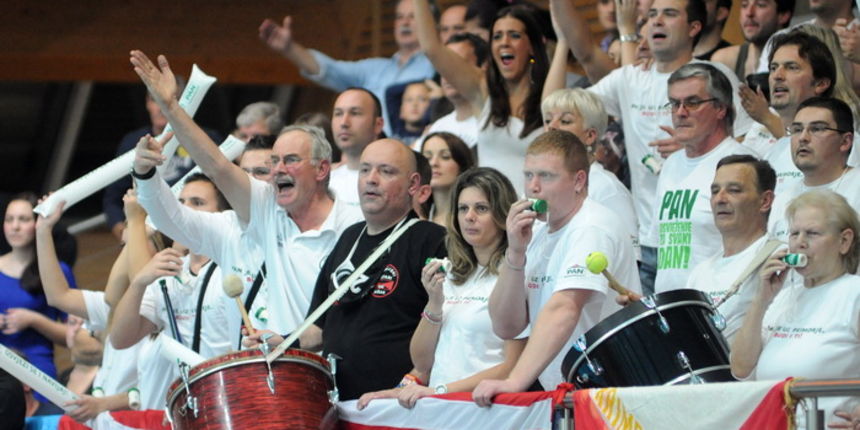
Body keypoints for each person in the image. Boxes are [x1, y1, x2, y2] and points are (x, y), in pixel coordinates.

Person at [130, 50, 363, 338]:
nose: (278, 170)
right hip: (265, 372)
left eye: (290, 160)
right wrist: (170, 109)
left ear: (322, 168)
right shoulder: (268, 207)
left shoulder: (356, 224)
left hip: (333, 371)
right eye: (274, 162)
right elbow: (216, 166)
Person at [554, 0, 755, 295]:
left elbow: (752, 139)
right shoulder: (630, 77)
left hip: (703, 236)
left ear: (694, 27)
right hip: (650, 238)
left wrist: (698, 144)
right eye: (651, 15)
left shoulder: (712, 76)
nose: (656, 22)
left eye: (669, 14)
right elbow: (562, 99)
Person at [473, 130, 641, 403]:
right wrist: (515, 253)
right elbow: (506, 325)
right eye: (528, 175)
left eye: (546, 176)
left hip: (608, 390)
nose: (533, 187)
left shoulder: (592, 226)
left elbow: (565, 307)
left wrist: (515, 381)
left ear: (578, 180)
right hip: (569, 389)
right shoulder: (538, 232)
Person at [357, 167, 525, 409]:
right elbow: (422, 364)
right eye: (463, 208)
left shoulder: (514, 273)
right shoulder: (453, 273)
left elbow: (512, 366)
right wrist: (434, 304)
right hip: (443, 411)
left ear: (502, 214)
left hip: (490, 411)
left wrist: (439, 391)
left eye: (481, 208)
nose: (469, 217)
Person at [294, 139, 447, 401]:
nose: (371, 179)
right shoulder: (349, 238)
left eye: (386, 171)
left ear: (413, 185)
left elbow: (447, 329)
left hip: (395, 405)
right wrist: (279, 343)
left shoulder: (432, 239)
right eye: (365, 170)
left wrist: (410, 384)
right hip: (338, 402)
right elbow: (318, 330)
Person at [731, 189, 860, 422]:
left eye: (812, 233)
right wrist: (761, 299)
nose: (799, 243)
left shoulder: (854, 292)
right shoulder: (783, 296)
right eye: (794, 233)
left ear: (844, 241)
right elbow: (740, 369)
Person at [413, 0, 549, 194]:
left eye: (515, 35)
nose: (504, 42)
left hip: (536, 213)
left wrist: (562, 42)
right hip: (490, 216)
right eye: (497, 36)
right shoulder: (483, 89)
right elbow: (431, 49)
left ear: (533, 46)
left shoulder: (549, 94)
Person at [258, 0, 437, 136]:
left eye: (413, 16)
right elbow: (331, 70)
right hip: (371, 155)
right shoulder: (376, 68)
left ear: (432, 24)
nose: (404, 22)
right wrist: (290, 49)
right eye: (399, 17)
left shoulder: (438, 67)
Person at [653, 63, 758, 293]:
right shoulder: (670, 165)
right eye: (674, 103)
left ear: (720, 108)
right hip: (672, 310)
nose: (680, 112)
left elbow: (758, 246)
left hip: (720, 309)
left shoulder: (743, 164)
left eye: (692, 102)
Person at [101, 90, 222, 242]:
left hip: (196, 232)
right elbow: (113, 197)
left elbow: (224, 192)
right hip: (145, 233)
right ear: (147, 103)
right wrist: (125, 235)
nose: (161, 107)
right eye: (155, 100)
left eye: (170, 101)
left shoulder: (207, 140)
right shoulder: (133, 142)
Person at [685, 155, 776, 343]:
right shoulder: (700, 272)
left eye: (734, 190)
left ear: (765, 201)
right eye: (714, 191)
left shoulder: (778, 258)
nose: (720, 199)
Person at [541, 88, 639, 260]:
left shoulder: (608, 190)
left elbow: (630, 259)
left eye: (565, 121)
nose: (552, 126)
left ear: (590, 135)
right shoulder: (537, 185)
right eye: (548, 120)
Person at [0, 193, 76, 404]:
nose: (15, 226)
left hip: (37, 373)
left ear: (37, 223)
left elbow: (76, 337)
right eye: (9, 219)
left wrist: (34, 320)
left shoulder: (57, 271)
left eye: (23, 219)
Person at [768, 97, 860, 241]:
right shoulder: (782, 200)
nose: (803, 138)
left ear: (845, 141)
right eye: (797, 130)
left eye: (817, 129)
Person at [417, 32, 489, 150]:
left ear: (483, 68)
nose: (448, 73)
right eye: (444, 65)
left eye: (457, 64)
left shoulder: (495, 122)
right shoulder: (438, 127)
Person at [329, 88, 386, 210]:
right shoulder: (324, 181)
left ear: (378, 125)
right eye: (338, 114)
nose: (344, 122)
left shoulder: (392, 182)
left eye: (355, 113)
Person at [711, 0, 793, 80]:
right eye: (744, 5)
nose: (749, 13)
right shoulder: (725, 60)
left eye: (761, 5)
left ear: (783, 15)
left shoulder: (796, 61)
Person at [421, 132, 475, 226]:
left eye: (445, 157)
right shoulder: (417, 218)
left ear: (461, 166)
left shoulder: (472, 217)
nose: (434, 163)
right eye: (427, 158)